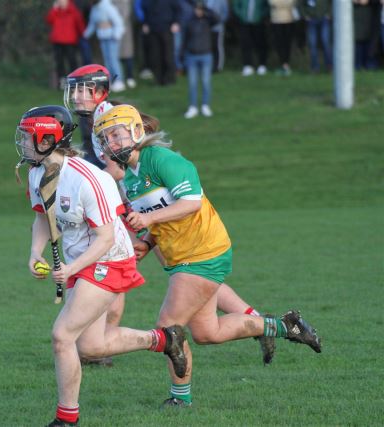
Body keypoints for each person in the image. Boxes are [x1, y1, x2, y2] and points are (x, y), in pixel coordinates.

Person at [94, 104, 322, 407]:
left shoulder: (161, 159)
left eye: (116, 135)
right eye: (105, 138)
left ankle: (180, 400)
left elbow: (190, 203)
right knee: (206, 332)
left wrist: (147, 220)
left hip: (203, 251)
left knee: (169, 325)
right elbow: (163, 215)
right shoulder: (130, 178)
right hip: (182, 256)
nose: (111, 143)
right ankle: (287, 326)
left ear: (136, 131)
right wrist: (148, 242)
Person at [65, 64, 278, 368]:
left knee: (186, 278)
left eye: (82, 89)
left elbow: (117, 171)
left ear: (99, 91)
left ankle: (102, 347)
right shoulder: (93, 120)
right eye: (73, 89)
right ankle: (259, 323)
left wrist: (91, 188)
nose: (75, 96)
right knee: (192, 280)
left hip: (137, 207)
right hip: (141, 209)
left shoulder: (108, 116)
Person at [15, 105, 187, 426]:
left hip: (109, 259)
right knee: (92, 346)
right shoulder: (37, 172)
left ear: (47, 140)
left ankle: (66, 418)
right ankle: (165, 340)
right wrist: (34, 252)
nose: (22, 143)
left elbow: (106, 238)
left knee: (62, 336)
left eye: (28, 137)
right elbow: (42, 216)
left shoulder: (89, 179)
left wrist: (71, 269)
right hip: (82, 261)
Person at [182, 1, 220, 119]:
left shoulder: (208, 21)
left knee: (205, 82)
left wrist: (207, 10)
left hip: (206, 55)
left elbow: (217, 18)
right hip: (192, 56)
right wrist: (182, 55)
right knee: (192, 83)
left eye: (200, 9)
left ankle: (205, 105)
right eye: (197, 9)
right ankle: (193, 107)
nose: (198, 11)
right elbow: (185, 39)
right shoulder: (189, 21)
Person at [84, 0, 127, 92]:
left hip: (112, 38)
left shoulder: (108, 7)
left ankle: (119, 81)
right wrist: (85, 35)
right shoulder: (94, 9)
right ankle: (110, 81)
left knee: (113, 60)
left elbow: (118, 22)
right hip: (103, 38)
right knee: (107, 61)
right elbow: (92, 24)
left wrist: (116, 35)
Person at [46, 0, 86, 90]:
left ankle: (75, 81)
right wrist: (54, 9)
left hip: (70, 41)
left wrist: (83, 34)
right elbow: (49, 20)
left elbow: (79, 23)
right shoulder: (56, 11)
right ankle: (62, 82)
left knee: (72, 61)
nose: (61, 2)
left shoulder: (73, 11)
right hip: (57, 41)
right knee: (59, 62)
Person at [140, 0, 181, 86]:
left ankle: (169, 79)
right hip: (153, 30)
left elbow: (178, 9)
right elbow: (145, 9)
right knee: (155, 56)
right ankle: (158, 79)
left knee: (167, 56)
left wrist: (176, 23)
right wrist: (145, 23)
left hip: (167, 28)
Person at [232, 0, 269, 76]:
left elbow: (267, 6)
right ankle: (247, 65)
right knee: (245, 44)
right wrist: (241, 14)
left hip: (258, 23)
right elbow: (236, 5)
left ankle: (262, 65)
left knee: (261, 44)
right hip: (244, 23)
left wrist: (261, 15)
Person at [297, 0, 332, 73]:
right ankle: (315, 68)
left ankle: (330, 66)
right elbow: (299, 4)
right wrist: (305, 15)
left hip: (324, 19)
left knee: (326, 42)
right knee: (312, 44)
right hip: (311, 21)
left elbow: (332, 3)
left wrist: (329, 13)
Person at [113, 0, 137, 88]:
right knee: (116, 58)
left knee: (128, 56)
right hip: (114, 32)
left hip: (125, 32)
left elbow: (125, 15)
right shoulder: (111, 2)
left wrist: (115, 23)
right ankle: (119, 79)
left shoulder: (125, 2)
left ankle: (130, 77)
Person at [268, 0, 297, 76]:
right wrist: (284, 4)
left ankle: (286, 65)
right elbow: (272, 2)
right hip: (276, 20)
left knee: (287, 44)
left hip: (289, 19)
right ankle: (282, 64)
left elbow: (291, 2)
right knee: (279, 44)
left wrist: (279, 4)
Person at [204, 0, 229, 71]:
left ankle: (218, 66)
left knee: (217, 46)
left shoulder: (222, 1)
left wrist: (218, 21)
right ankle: (209, 65)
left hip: (217, 28)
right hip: (206, 28)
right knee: (208, 47)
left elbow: (225, 14)